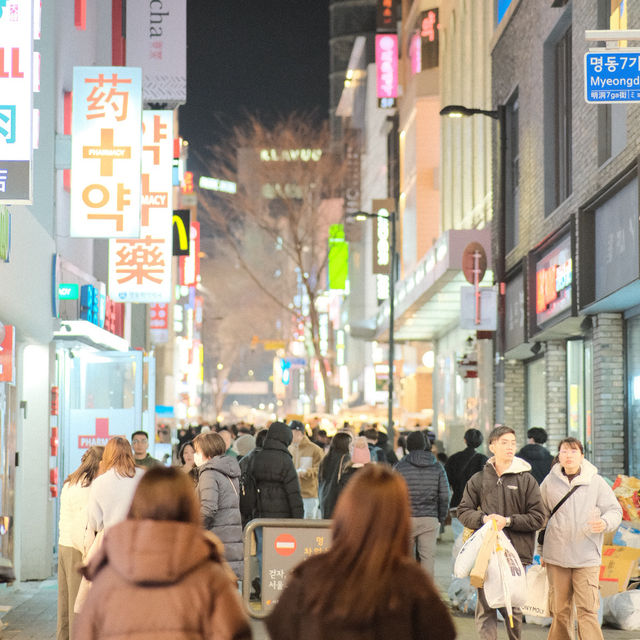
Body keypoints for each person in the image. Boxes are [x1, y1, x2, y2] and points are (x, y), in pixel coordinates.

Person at [266, 464, 457, 640]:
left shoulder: (311, 573)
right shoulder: (413, 582)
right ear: (400, 518)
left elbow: (279, 627)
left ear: (345, 512)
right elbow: (443, 633)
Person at [72, 467, 251, 640]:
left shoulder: (108, 574)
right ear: (190, 506)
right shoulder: (210, 574)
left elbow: (85, 633)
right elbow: (233, 633)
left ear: (137, 503)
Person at [457, 425, 545, 640]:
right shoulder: (479, 479)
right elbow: (463, 511)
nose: (510, 447)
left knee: (512, 607)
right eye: (504, 443)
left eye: (513, 443)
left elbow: (539, 517)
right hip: (486, 552)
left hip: (517, 553)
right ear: (492, 446)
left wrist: (508, 521)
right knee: (485, 604)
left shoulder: (526, 480)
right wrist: (483, 519)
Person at [540, 437, 622, 640]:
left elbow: (614, 510)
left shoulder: (595, 481)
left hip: (586, 555)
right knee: (559, 610)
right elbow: (540, 519)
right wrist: (539, 551)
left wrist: (604, 522)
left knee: (587, 610)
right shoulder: (549, 482)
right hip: (556, 556)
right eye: (564, 452)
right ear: (558, 456)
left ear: (582, 455)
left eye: (573, 451)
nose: (568, 456)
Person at [57, 446, 104, 640]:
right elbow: (91, 521)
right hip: (79, 548)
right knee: (79, 606)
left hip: (63, 544)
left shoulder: (71, 482)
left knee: (64, 602)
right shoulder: (90, 486)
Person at [393, 431, 449, 576]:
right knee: (427, 558)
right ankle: (426, 594)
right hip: (430, 518)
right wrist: (441, 517)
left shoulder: (400, 467)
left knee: (406, 558)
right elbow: (444, 495)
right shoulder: (437, 467)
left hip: (407, 518)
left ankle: (408, 593)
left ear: (408, 446)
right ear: (425, 445)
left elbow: (393, 495)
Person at [193, 432, 243, 580]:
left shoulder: (209, 473)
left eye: (197, 451)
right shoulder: (228, 471)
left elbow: (208, 508)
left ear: (206, 451)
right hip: (230, 539)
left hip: (216, 539)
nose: (195, 455)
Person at [445, 428, 487, 538]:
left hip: (457, 504)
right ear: (480, 442)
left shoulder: (453, 459)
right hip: (477, 507)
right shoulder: (484, 460)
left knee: (459, 542)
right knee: (475, 543)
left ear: (465, 440)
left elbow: (446, 484)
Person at [289, 420, 324, 518]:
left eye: (290, 432)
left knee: (308, 525)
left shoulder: (315, 449)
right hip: (293, 494)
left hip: (309, 495)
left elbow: (320, 469)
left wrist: (305, 472)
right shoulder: (290, 449)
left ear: (298, 432)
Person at [318, 431, 352, 518]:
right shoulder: (346, 458)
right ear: (346, 444)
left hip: (325, 499)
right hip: (337, 500)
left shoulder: (326, 458)